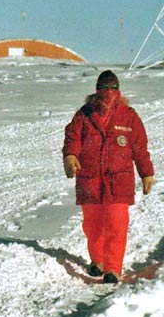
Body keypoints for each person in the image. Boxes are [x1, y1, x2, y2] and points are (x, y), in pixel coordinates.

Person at [62, 70, 154, 284]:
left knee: (116, 224)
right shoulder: (84, 114)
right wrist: (70, 156)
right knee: (92, 225)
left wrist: (146, 172)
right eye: (104, 87)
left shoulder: (128, 116)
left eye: (113, 87)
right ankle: (97, 261)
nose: (108, 92)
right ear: (97, 89)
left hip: (118, 181)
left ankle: (113, 267)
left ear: (118, 90)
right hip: (89, 179)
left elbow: (139, 148)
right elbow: (72, 137)